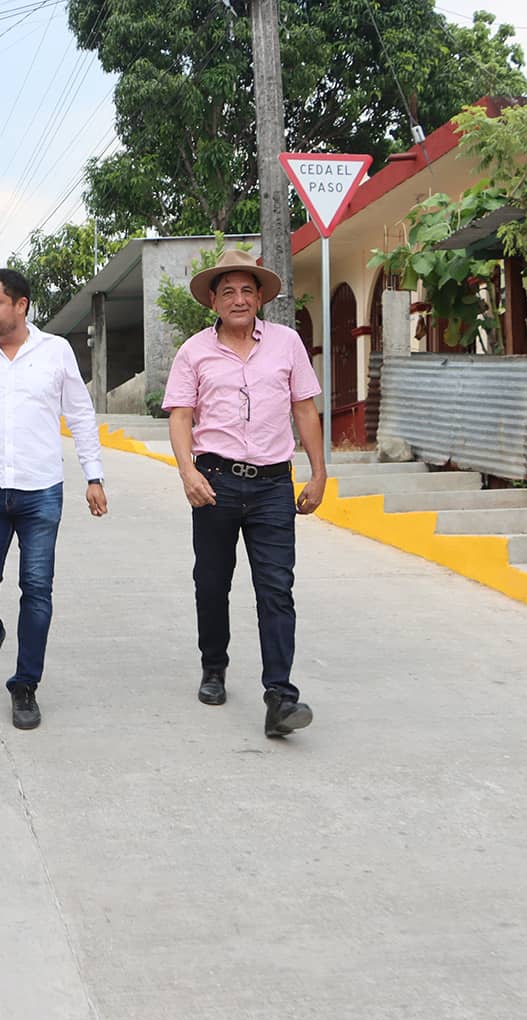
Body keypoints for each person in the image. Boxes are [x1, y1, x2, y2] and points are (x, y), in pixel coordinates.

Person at [162, 248, 327, 739]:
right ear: (213, 300)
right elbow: (181, 416)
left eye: (247, 290)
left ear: (260, 298)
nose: (239, 299)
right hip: (214, 480)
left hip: (275, 483)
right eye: (228, 291)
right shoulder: (193, 351)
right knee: (212, 584)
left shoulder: (287, 343)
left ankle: (280, 695)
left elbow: (304, 411)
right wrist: (187, 472)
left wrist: (318, 474)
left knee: (276, 589)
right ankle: (214, 666)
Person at [0, 268, 108, 730]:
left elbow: (80, 413)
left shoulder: (54, 352)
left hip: (41, 492)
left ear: (21, 305)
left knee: (36, 589)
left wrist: (94, 475)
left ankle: (25, 685)